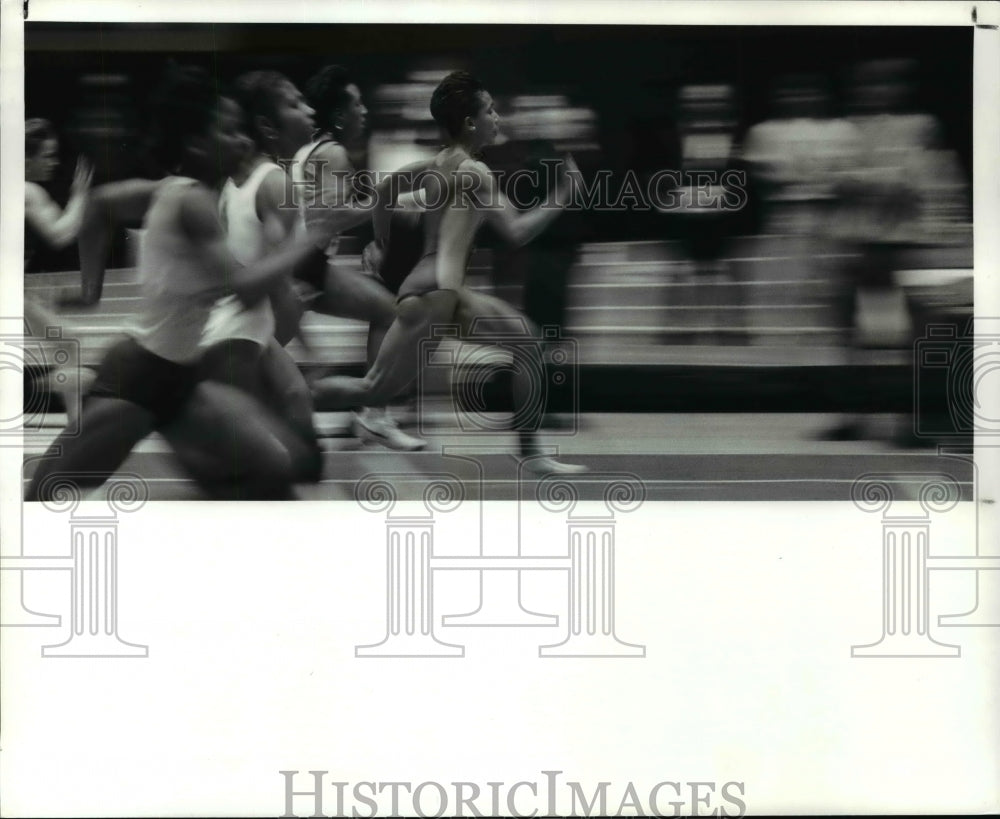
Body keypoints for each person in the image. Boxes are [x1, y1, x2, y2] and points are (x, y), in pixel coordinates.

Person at [26, 64, 334, 502]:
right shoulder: (192, 201)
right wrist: (313, 236)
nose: (243, 139)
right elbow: (244, 288)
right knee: (45, 494)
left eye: (241, 129)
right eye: (227, 131)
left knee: (269, 474)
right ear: (196, 143)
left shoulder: (169, 189)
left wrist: (90, 290)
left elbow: (98, 206)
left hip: (181, 379)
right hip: (139, 377)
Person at [311, 71, 585, 474]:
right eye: (490, 110)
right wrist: (563, 194)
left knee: (527, 343)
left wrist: (380, 244)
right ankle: (286, 399)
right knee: (375, 390)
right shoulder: (475, 173)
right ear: (471, 123)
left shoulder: (435, 164)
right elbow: (517, 232)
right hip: (435, 295)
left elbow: (386, 192)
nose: (498, 118)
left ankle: (533, 454)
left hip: (436, 293)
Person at [295, 64, 425, 451]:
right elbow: (331, 215)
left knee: (387, 311)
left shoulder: (312, 149)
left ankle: (373, 416)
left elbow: (321, 215)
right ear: (339, 114)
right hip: (300, 269)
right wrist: (394, 200)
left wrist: (372, 239)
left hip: (310, 266)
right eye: (357, 104)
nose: (365, 111)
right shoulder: (333, 153)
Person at [23, 118, 94, 424]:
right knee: (67, 342)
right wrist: (80, 195)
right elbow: (61, 234)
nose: (53, 163)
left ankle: (76, 422)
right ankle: (76, 422)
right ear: (26, 157)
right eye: (47, 156)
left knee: (67, 341)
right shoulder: (26, 192)